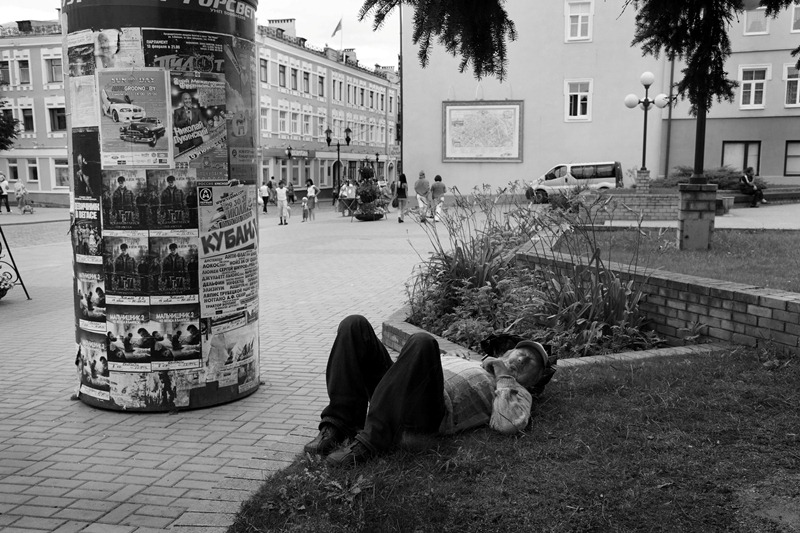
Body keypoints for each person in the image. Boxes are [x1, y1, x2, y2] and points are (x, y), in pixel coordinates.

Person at [304, 315, 554, 467]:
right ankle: (339, 425)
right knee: (354, 324)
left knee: (423, 341)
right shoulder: (473, 362)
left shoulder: (518, 391)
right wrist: (453, 359)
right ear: (508, 352)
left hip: (430, 410)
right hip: (400, 390)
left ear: (533, 381)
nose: (522, 359)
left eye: (530, 362)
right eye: (521, 353)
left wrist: (503, 374)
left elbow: (508, 423)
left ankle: (371, 442)